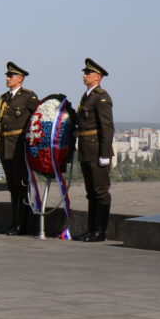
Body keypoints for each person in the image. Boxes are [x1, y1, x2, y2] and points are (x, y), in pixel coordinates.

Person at [74, 58, 114, 242]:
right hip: (85, 150)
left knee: (100, 192)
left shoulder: (101, 97)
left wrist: (105, 154)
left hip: (97, 150)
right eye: (85, 72)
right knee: (91, 193)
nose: (84, 75)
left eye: (88, 73)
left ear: (97, 77)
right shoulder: (87, 96)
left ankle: (100, 231)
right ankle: (91, 229)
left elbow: (107, 127)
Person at [0, 61, 38, 235]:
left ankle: (22, 223)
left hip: (20, 148)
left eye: (11, 75)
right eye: (7, 75)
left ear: (20, 79)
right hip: (6, 147)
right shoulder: (4, 98)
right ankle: (15, 221)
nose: (8, 78)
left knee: (22, 186)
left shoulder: (29, 97)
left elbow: (37, 121)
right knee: (13, 187)